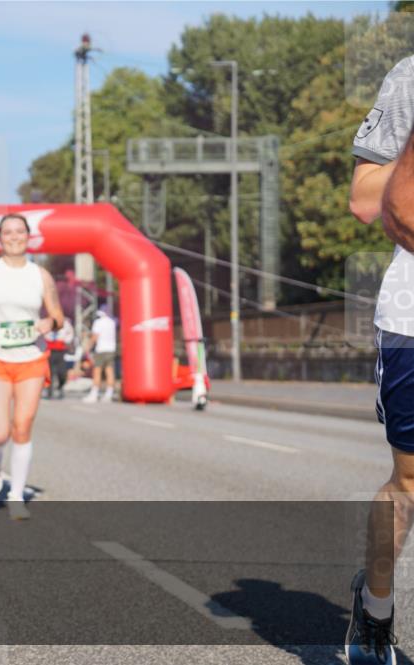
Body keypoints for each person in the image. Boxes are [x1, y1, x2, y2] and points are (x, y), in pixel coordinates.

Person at [345, 55, 413, 665]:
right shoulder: (410, 77)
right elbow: (367, 202)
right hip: (412, 318)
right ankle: (375, 608)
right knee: (411, 483)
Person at [0, 213, 64, 520]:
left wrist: (50, 321)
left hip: (31, 360)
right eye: (8, 232)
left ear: (28, 236)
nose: (14, 236)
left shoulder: (41, 276)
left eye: (20, 231)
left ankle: (17, 495)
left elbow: (58, 314)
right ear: (0, 237)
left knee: (22, 426)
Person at [82, 304, 117, 404]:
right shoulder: (112, 322)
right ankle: (109, 393)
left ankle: (94, 394)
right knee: (109, 371)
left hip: (101, 349)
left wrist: (88, 347)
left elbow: (95, 337)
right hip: (111, 349)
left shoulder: (98, 322)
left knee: (97, 371)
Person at [44, 316, 74, 400]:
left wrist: (67, 341)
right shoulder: (47, 322)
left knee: (62, 372)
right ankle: (49, 391)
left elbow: (70, 333)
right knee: (50, 372)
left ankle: (60, 387)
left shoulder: (66, 324)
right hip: (49, 350)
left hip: (60, 350)